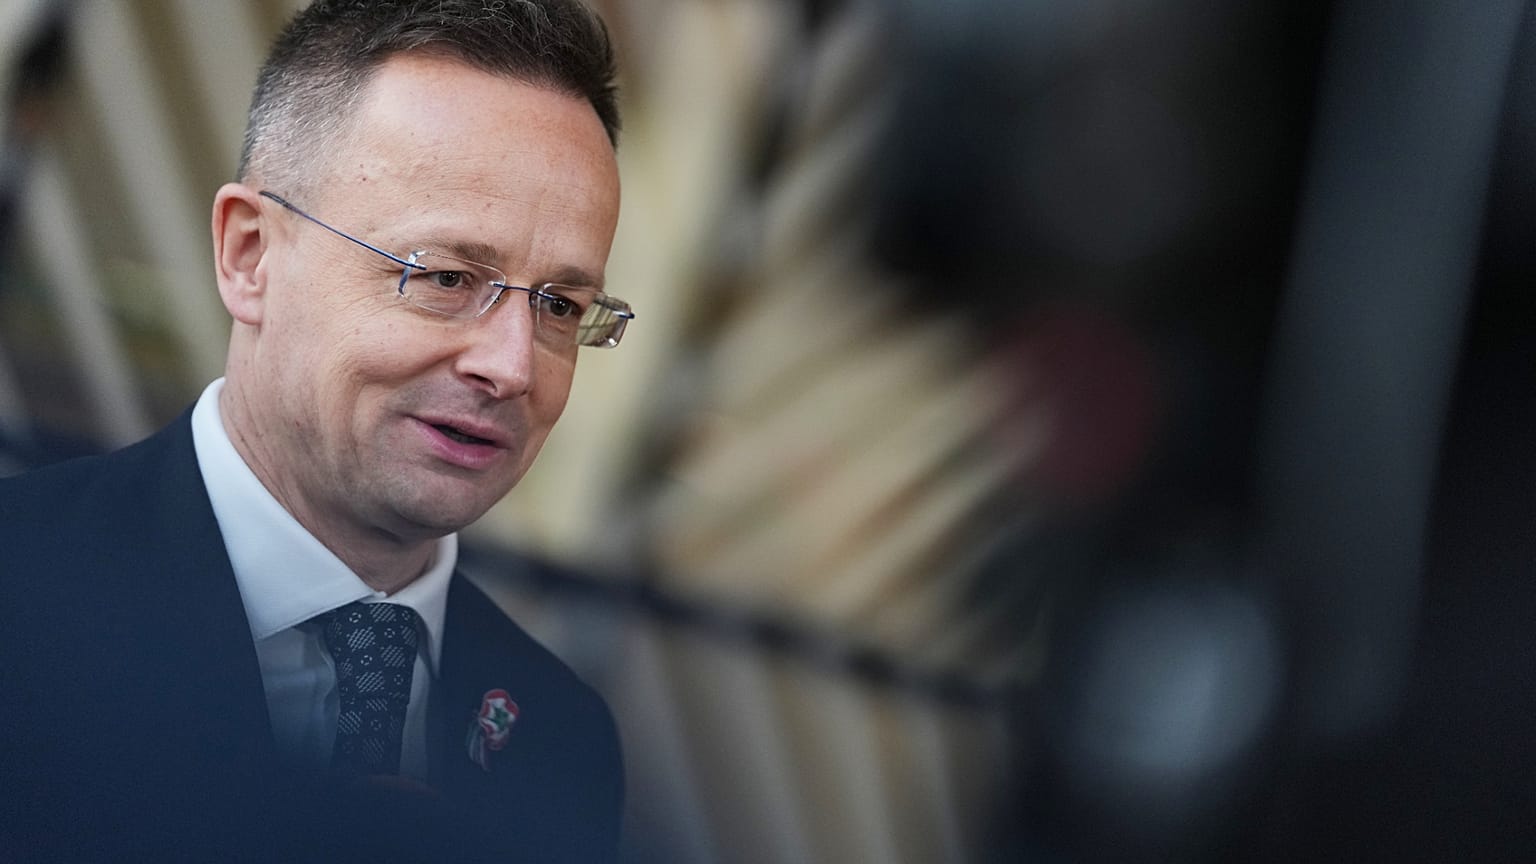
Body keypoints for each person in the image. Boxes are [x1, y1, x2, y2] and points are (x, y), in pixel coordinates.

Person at [0, 1, 632, 861]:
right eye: (445, 276)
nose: (512, 366)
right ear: (250, 256)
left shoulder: (563, 744)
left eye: (560, 306)